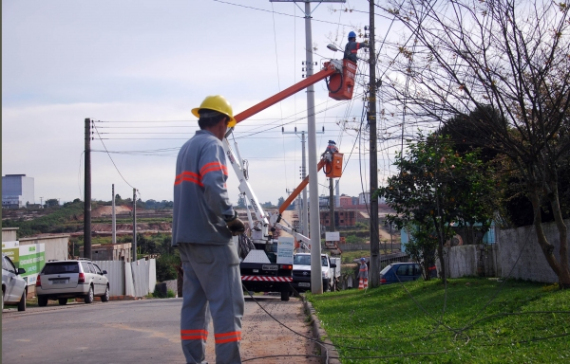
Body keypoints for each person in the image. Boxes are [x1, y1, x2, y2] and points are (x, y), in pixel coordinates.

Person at [173, 95, 246, 364]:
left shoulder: (187, 147)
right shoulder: (213, 146)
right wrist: (230, 218)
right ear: (224, 122)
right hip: (212, 239)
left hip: (187, 239)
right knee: (227, 309)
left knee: (194, 308)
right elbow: (215, 186)